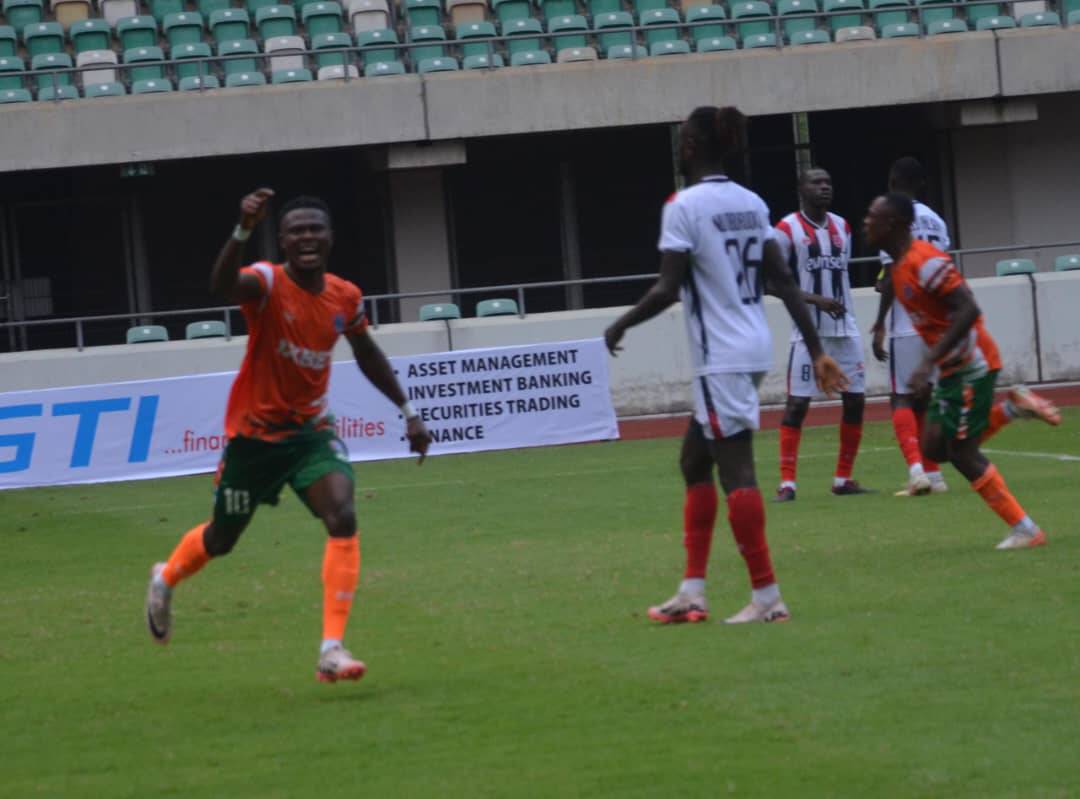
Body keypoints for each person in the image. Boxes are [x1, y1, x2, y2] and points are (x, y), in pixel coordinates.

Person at [144, 189, 431, 682]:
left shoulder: (345, 296)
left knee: (342, 513)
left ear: (330, 238)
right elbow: (220, 287)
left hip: (310, 435)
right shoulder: (267, 283)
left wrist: (409, 411)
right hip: (254, 440)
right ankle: (165, 579)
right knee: (222, 539)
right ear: (282, 240)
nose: (307, 238)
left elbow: (366, 352)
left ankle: (331, 649)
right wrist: (241, 229)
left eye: (315, 229)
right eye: (296, 230)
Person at [604, 106, 847, 624]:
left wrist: (621, 324)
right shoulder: (752, 202)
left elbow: (669, 288)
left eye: (682, 137)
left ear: (691, 146)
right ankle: (692, 591)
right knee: (695, 461)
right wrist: (817, 348)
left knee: (736, 470)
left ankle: (766, 597)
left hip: (720, 355)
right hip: (752, 343)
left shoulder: (683, 205)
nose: (679, 144)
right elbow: (781, 281)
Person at [865, 193, 1060, 550]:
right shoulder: (898, 268)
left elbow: (968, 309)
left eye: (871, 217)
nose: (865, 222)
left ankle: (1026, 529)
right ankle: (1014, 407)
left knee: (962, 453)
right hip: (950, 369)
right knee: (935, 448)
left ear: (892, 225)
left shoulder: (926, 262)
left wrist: (927, 362)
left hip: (973, 365)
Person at [773, 168, 871, 502]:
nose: (824, 187)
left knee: (856, 401)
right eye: (816, 182)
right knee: (797, 405)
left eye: (828, 182)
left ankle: (843, 479)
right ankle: (787, 485)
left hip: (846, 331)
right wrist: (815, 300)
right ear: (801, 189)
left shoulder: (843, 226)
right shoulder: (786, 229)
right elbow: (769, 282)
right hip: (807, 334)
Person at [872, 157, 952, 496]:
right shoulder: (935, 220)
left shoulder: (893, 218)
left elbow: (892, 275)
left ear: (891, 181)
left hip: (906, 321)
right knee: (928, 397)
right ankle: (935, 476)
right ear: (921, 184)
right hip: (937, 323)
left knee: (901, 397)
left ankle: (917, 470)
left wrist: (879, 323)